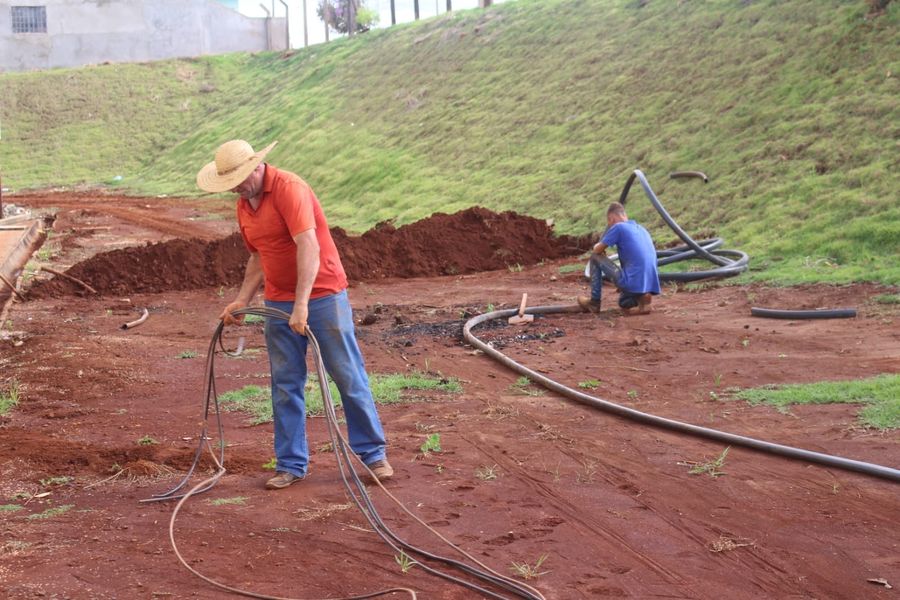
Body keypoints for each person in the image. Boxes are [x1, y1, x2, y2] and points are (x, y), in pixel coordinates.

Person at [196, 139, 392, 489]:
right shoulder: (244, 205)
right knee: (285, 383)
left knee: (346, 375)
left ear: (258, 166)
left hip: (322, 296)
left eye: (241, 178)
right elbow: (258, 256)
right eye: (232, 184)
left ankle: (374, 455)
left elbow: (309, 245)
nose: (238, 188)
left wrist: (301, 304)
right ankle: (290, 464)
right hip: (277, 301)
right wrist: (242, 300)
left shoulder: (289, 189)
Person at [578, 202, 660, 315]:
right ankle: (644, 298)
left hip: (632, 282)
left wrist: (597, 247)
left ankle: (594, 303)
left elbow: (597, 250)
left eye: (609, 222)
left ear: (611, 218)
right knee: (623, 302)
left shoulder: (619, 227)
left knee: (595, 257)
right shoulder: (641, 229)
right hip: (649, 283)